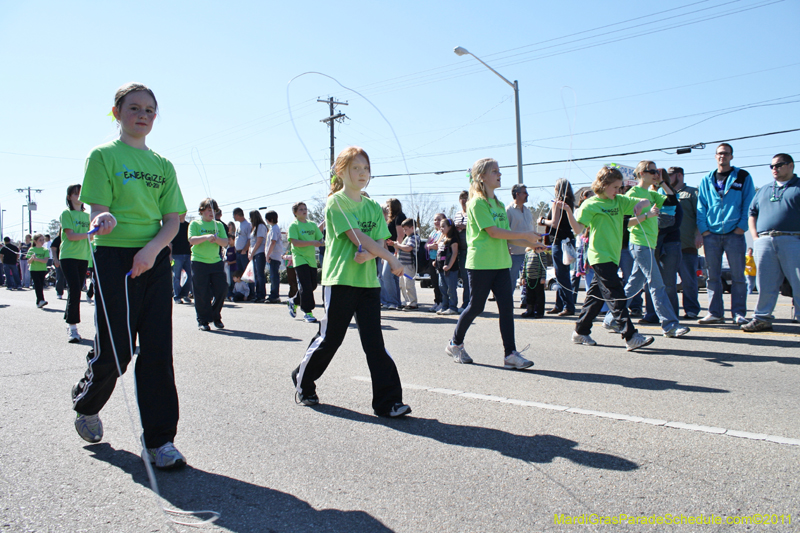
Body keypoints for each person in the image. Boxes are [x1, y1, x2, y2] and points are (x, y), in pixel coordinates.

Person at [71, 82, 187, 469]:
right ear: (117, 113)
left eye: (149, 110)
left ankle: (160, 441)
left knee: (157, 351)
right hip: (114, 259)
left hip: (153, 258)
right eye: (134, 108)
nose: (143, 115)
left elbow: (173, 220)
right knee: (116, 350)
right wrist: (102, 217)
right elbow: (98, 209)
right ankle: (87, 403)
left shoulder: (163, 165)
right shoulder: (102, 155)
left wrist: (152, 250)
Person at [291, 146, 411, 418]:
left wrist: (371, 254)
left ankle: (388, 402)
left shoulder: (373, 207)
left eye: (365, 168)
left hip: (368, 284)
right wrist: (390, 259)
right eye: (355, 168)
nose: (362, 173)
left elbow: (378, 240)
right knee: (330, 339)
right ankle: (303, 381)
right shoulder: (336, 202)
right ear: (340, 172)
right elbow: (357, 236)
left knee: (375, 344)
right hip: (340, 281)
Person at [445, 158, 544, 368]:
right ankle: (455, 343)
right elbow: (493, 232)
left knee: (507, 308)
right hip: (481, 264)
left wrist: (531, 244)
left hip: (501, 263)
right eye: (494, 171)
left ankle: (510, 354)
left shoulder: (498, 204)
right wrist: (524, 234)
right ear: (481, 176)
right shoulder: (477, 203)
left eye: (499, 171)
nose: (499, 174)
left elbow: (506, 236)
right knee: (476, 307)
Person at [559, 166, 655, 351]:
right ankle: (630, 336)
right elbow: (578, 229)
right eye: (615, 187)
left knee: (595, 297)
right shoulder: (591, 204)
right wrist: (569, 212)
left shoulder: (619, 201)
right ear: (603, 185)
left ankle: (580, 331)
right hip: (599, 256)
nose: (618, 191)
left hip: (613, 256)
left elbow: (647, 200)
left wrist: (641, 204)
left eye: (620, 187)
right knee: (616, 295)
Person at [603, 161, 690, 338]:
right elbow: (625, 222)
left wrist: (662, 183)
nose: (655, 174)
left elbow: (672, 201)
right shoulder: (633, 193)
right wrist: (647, 215)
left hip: (650, 244)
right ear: (641, 173)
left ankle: (611, 319)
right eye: (652, 171)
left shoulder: (652, 193)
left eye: (656, 171)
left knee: (633, 286)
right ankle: (670, 325)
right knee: (657, 284)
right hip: (639, 244)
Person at [697, 143, 755, 324]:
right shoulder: (707, 179)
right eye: (720, 153)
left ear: (731, 156)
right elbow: (701, 206)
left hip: (734, 234)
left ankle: (738, 314)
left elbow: (749, 202)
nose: (722, 156)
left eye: (726, 153)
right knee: (712, 276)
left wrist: (741, 227)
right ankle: (715, 313)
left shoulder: (742, 176)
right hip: (711, 235)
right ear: (715, 156)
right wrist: (704, 230)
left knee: (738, 276)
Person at [742, 154, 800, 331]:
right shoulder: (764, 190)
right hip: (765, 240)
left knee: (798, 281)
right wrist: (756, 237)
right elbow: (752, 213)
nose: (774, 169)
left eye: (779, 165)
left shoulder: (798, 186)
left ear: (791, 166)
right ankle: (762, 318)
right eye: (772, 166)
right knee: (765, 283)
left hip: (793, 239)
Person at [668, 166, 703, 319]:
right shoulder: (665, 193)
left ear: (679, 176)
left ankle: (691, 310)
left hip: (687, 244)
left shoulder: (692, 193)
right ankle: (670, 311)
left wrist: (699, 235)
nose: (668, 178)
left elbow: (700, 215)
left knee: (689, 280)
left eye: (671, 175)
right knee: (668, 282)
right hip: (668, 244)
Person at [189, 198, 229, 331]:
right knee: (201, 293)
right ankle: (203, 320)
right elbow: (192, 240)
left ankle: (215, 315)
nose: (212, 213)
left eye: (214, 210)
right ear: (201, 211)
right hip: (199, 262)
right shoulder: (195, 224)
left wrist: (216, 239)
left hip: (216, 262)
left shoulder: (219, 225)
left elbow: (225, 242)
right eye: (208, 210)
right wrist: (206, 237)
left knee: (222, 289)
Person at [59, 184, 92, 343]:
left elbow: (92, 237)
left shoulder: (88, 216)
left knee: (77, 289)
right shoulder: (66, 214)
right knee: (74, 289)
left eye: (81, 193)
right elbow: (71, 236)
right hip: (68, 256)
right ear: (69, 197)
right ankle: (73, 328)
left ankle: (69, 319)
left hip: (83, 257)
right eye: (75, 193)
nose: (79, 196)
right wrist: (89, 233)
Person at [540, 178, 576, 316]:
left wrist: (542, 220)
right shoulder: (570, 203)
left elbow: (554, 223)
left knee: (561, 275)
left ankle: (568, 306)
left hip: (559, 241)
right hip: (569, 240)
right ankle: (559, 304)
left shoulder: (557, 202)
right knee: (563, 273)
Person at [287, 201, 324, 323]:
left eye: (305, 209)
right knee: (306, 286)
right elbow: (295, 242)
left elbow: (320, 239)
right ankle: (307, 312)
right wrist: (312, 242)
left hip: (311, 259)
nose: (304, 211)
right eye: (301, 209)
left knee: (312, 285)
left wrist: (324, 243)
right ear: (295, 213)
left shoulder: (312, 225)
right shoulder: (294, 226)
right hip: (300, 259)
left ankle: (294, 301)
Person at [506, 184, 535, 301]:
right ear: (517, 194)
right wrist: (506, 249)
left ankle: (526, 301)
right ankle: (507, 302)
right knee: (511, 280)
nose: (527, 194)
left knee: (528, 279)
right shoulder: (508, 210)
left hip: (529, 252)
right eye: (524, 192)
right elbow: (504, 232)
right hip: (514, 253)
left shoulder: (527, 211)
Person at [379, 198, 405, 310]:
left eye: (388, 206)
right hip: (387, 250)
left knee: (386, 275)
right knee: (392, 277)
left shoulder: (400, 217)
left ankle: (392, 302)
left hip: (394, 250)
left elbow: (400, 235)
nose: (387, 208)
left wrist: (396, 250)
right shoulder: (390, 219)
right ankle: (396, 301)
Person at [392, 218, 420, 310]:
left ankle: (413, 302)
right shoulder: (407, 237)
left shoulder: (414, 237)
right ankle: (407, 301)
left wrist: (398, 245)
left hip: (409, 265)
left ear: (412, 228)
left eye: (406, 229)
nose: (404, 231)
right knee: (402, 284)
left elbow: (408, 248)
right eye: (403, 229)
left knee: (409, 284)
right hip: (403, 265)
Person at [436, 218, 460, 315]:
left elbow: (454, 253)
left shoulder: (453, 239)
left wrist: (449, 265)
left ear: (450, 227)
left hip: (450, 269)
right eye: (440, 226)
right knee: (443, 288)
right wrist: (435, 262)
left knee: (451, 289)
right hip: (441, 268)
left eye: (443, 226)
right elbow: (439, 252)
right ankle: (444, 306)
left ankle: (452, 307)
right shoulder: (442, 239)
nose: (441, 228)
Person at [169, 213, 193, 304]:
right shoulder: (174, 226)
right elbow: (170, 242)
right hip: (176, 255)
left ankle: (185, 294)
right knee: (177, 276)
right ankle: (177, 296)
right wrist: (170, 255)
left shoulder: (188, 226)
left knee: (190, 275)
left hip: (188, 254)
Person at [453, 190, 471, 309]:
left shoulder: (473, 212)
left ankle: (468, 303)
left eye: (466, 197)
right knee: (463, 278)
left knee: (469, 278)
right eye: (462, 198)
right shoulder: (458, 214)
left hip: (470, 249)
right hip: (458, 249)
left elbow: (478, 227)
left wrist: (465, 226)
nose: (464, 200)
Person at [426, 213, 446, 312]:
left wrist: (431, 245)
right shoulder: (433, 232)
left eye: (439, 219)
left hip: (439, 259)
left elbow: (437, 246)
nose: (436, 222)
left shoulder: (443, 233)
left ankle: (443, 302)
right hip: (431, 259)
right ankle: (437, 301)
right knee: (434, 282)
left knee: (440, 283)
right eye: (435, 220)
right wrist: (430, 245)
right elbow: (427, 244)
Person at [520, 246, 546, 318]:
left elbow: (544, 267)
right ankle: (530, 310)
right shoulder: (528, 254)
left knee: (539, 296)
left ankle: (539, 312)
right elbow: (524, 266)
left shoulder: (541, 254)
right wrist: (523, 277)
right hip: (529, 278)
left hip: (538, 278)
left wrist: (543, 277)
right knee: (529, 296)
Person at [248, 210, 268, 302]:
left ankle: (261, 294)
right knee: (256, 274)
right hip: (255, 253)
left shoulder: (261, 226)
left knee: (260, 274)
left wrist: (252, 253)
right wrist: (250, 252)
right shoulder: (255, 227)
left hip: (260, 252)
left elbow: (259, 241)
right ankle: (257, 294)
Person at [265, 210, 284, 303]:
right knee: (273, 276)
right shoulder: (274, 228)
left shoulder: (274, 229)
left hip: (274, 256)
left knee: (274, 276)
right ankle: (273, 294)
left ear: (271, 219)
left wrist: (267, 255)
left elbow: (273, 242)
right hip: (275, 256)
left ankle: (274, 295)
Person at [26, 234, 49, 308]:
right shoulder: (31, 249)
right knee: (37, 284)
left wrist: (37, 259)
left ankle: (38, 302)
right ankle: (41, 300)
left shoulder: (45, 250)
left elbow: (45, 260)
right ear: (35, 241)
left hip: (42, 269)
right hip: (34, 270)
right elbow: (28, 262)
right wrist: (32, 258)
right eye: (40, 240)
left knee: (40, 285)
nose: (42, 241)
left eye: (43, 240)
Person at [50, 234, 66, 298]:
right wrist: (55, 259)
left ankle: (72, 293)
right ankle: (59, 292)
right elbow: (53, 250)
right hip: (59, 260)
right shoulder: (57, 239)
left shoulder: (70, 238)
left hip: (69, 260)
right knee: (60, 277)